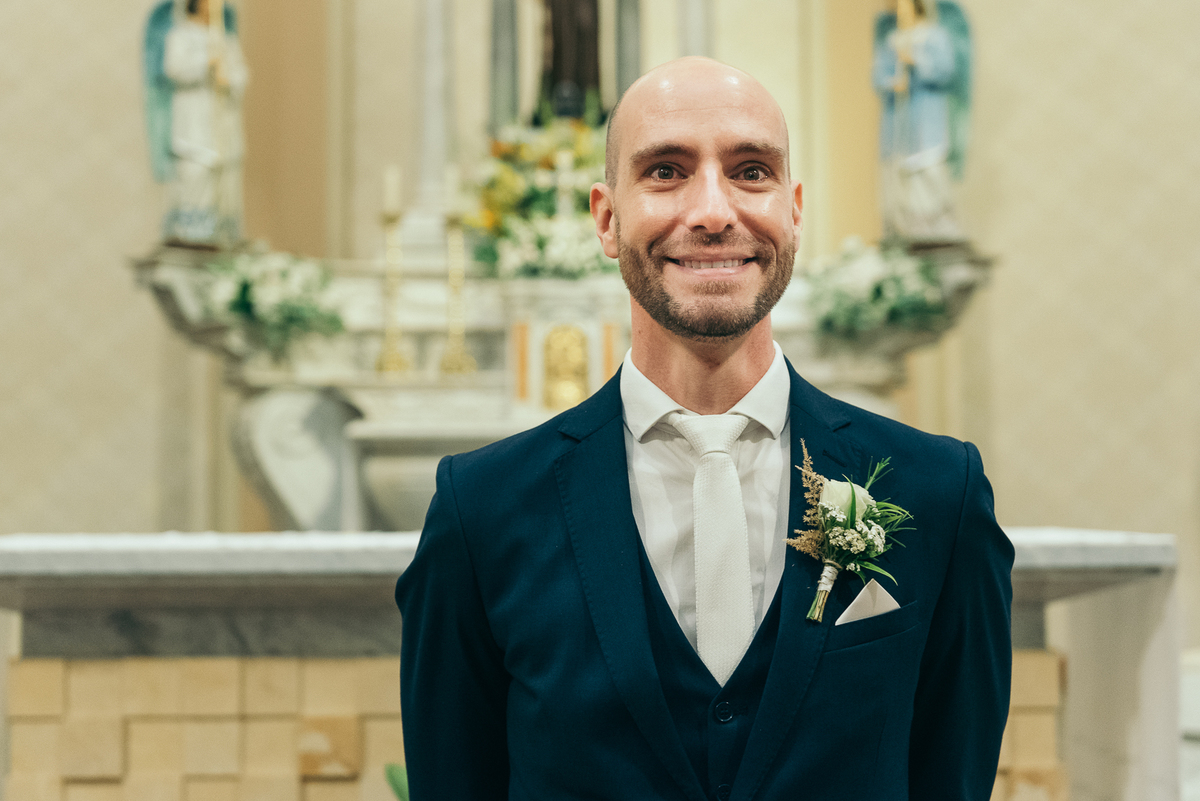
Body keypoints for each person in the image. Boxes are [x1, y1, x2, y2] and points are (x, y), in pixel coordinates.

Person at [395, 57, 1012, 800]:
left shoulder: (939, 493)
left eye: (751, 171)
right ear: (606, 218)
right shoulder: (481, 511)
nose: (714, 211)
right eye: (666, 171)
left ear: (794, 210)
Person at [144, 0, 247, 247]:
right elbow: (174, 69)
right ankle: (193, 236)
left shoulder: (225, 39)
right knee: (196, 178)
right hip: (194, 125)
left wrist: (228, 77)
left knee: (225, 183)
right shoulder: (181, 36)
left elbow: (241, 75)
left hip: (222, 124)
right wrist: (206, 64)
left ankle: (223, 234)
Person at [872, 0, 970, 242]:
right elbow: (879, 75)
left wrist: (916, 60)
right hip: (899, 122)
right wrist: (892, 83)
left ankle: (935, 231)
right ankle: (903, 231)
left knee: (927, 175)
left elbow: (945, 70)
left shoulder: (934, 36)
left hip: (926, 121)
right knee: (898, 181)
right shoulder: (893, 39)